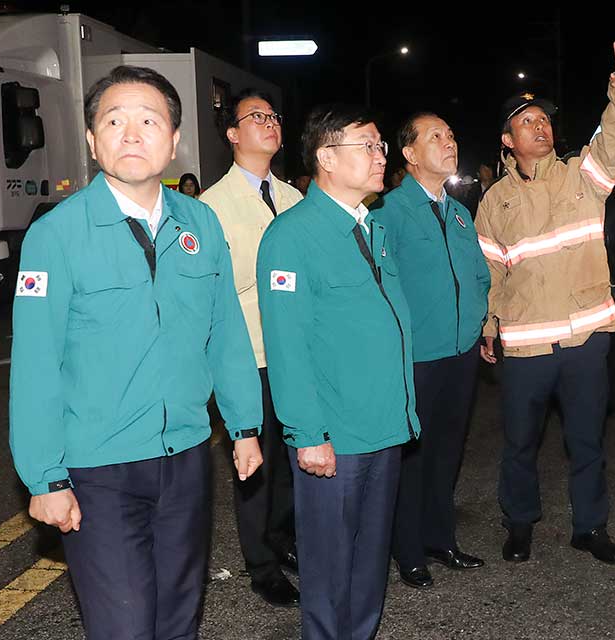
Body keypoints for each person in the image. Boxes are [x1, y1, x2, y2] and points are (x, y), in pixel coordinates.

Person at [9, 65, 263, 640]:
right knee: (123, 624)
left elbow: (225, 332)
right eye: (113, 121)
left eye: (149, 121)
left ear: (174, 141)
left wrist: (244, 424)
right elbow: (36, 365)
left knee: (178, 617)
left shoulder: (200, 222)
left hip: (187, 457)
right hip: (99, 467)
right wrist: (45, 478)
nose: (130, 133)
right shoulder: (57, 234)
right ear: (92, 140)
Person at [475, 34, 615, 565]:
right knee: (520, 442)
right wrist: (489, 326)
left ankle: (590, 527)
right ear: (507, 140)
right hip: (526, 345)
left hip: (584, 339)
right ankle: (519, 523)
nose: (541, 127)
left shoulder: (583, 175)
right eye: (527, 121)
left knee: (587, 441)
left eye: (545, 120)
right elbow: (491, 273)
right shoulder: (494, 201)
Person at [257, 104, 420, 640]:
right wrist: (308, 434)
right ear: (326, 158)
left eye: (380, 146)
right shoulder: (292, 235)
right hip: (334, 435)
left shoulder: (371, 227)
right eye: (367, 146)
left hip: (384, 425)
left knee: (370, 559)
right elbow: (287, 346)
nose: (381, 156)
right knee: (329, 566)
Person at [374, 112, 490, 589]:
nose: (449, 142)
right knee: (412, 456)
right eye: (436, 136)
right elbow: (380, 286)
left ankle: (441, 538)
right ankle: (408, 549)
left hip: (460, 353)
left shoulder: (459, 213)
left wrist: (481, 322)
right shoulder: (389, 211)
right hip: (416, 356)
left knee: (448, 450)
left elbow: (479, 274)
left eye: (451, 134)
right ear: (409, 153)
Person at [199, 89, 303, 607]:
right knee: (253, 461)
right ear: (232, 133)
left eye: (274, 115)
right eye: (256, 116)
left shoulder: (294, 198)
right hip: (246, 354)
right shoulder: (210, 206)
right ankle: (260, 563)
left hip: (292, 351)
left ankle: (282, 536)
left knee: (290, 454)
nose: (269, 122)